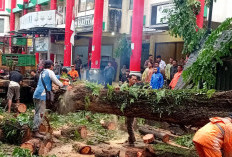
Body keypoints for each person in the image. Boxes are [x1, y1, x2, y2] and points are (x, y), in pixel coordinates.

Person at [32, 60, 63, 138]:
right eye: (52, 65)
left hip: (36, 94)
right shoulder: (50, 71)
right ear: (51, 66)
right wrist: (62, 85)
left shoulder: (43, 72)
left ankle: (37, 129)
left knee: (37, 112)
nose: (53, 67)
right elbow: (56, 81)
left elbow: (52, 78)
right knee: (40, 113)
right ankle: (35, 131)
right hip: (41, 95)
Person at [125, 74, 138, 145]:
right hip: (126, 109)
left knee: (129, 124)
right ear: (129, 79)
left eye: (135, 79)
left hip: (132, 109)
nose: (135, 81)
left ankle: (132, 139)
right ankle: (130, 139)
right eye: (133, 79)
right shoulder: (125, 86)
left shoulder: (136, 88)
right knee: (127, 124)